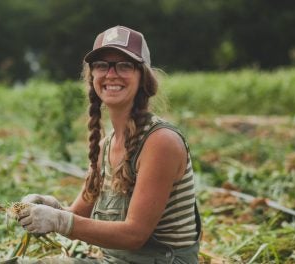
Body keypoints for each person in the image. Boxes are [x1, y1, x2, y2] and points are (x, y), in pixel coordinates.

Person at [17, 26, 201, 263]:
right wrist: (49, 207)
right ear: (92, 75)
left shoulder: (160, 142)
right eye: (102, 65)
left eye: (124, 65)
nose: (111, 74)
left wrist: (58, 221)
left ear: (142, 76)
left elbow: (134, 235)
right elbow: (76, 217)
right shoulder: (106, 146)